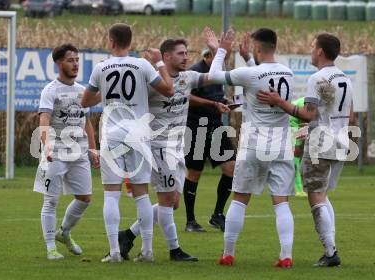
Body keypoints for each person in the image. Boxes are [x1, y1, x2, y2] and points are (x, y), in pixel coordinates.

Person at [118, 38, 231, 261]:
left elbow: (215, 76)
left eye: (187, 53)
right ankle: (175, 250)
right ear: (166, 56)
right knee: (167, 201)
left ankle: (128, 234)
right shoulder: (154, 82)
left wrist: (220, 51)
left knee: (172, 202)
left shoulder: (187, 78)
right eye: (180, 53)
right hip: (159, 147)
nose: (186, 57)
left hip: (178, 147)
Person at [257, 33, 354, 267]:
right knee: (323, 194)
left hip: (321, 140)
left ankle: (331, 252)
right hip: (342, 139)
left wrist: (279, 102)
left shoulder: (318, 78)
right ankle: (331, 247)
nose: (311, 50)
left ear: (320, 51)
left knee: (316, 196)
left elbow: (308, 114)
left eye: (312, 46)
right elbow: (351, 115)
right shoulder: (346, 79)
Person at [81, 23, 174, 263]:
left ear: (111, 41)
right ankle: (147, 251)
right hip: (139, 134)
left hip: (112, 133)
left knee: (111, 194)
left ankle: (114, 252)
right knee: (142, 194)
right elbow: (168, 90)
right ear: (130, 42)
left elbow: (85, 101)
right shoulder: (142, 65)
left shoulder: (101, 67)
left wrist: (105, 92)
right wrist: (160, 64)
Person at [207, 28, 296, 267]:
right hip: (281, 145)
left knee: (239, 199)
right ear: (274, 46)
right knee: (281, 202)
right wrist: (247, 58)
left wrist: (222, 49)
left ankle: (228, 253)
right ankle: (286, 256)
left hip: (255, 145)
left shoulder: (251, 73)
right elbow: (261, 78)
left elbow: (213, 75)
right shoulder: (288, 72)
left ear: (257, 48)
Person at [34, 44, 99, 260]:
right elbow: (44, 119)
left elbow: (86, 121)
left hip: (78, 152)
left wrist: (92, 148)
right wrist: (47, 146)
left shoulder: (82, 91)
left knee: (85, 198)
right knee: (50, 201)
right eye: (71, 60)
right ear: (59, 63)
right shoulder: (50, 90)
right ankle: (51, 247)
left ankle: (65, 232)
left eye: (77, 60)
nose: (75, 64)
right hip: (55, 152)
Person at [183, 47, 236, 233]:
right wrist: (213, 103)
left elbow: (215, 96)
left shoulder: (217, 73)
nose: (222, 61)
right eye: (219, 57)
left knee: (231, 167)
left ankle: (217, 215)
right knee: (194, 173)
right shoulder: (195, 71)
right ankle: (190, 220)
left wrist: (225, 101)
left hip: (215, 125)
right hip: (197, 126)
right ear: (207, 56)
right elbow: (186, 97)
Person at [290, 97, 307, 197]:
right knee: (295, 154)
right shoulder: (305, 103)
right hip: (291, 124)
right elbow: (303, 121)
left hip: (295, 124)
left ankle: (297, 187)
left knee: (295, 156)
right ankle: (298, 188)